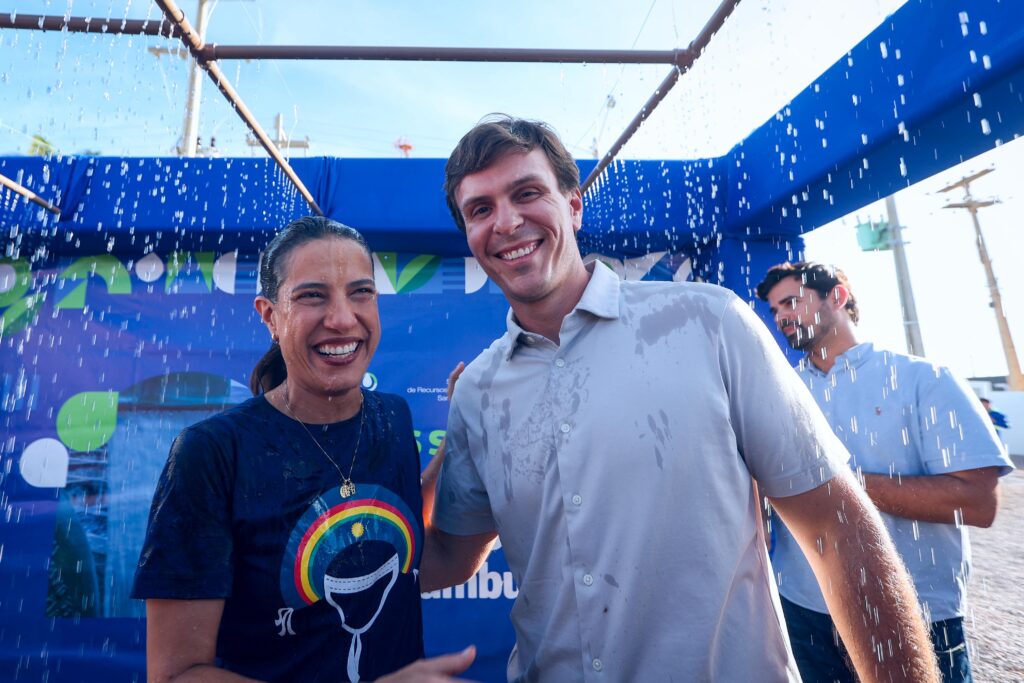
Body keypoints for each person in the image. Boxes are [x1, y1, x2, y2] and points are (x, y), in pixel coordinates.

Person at [417, 114, 939, 683]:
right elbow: (448, 558)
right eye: (480, 209)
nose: (506, 221)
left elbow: (837, 528)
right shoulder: (478, 390)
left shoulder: (707, 324)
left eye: (526, 193)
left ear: (573, 206)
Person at [132, 216, 475, 682]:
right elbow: (177, 674)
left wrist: (468, 435)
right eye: (313, 296)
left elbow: (409, 548)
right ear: (270, 316)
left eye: (360, 292)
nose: (342, 318)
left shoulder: (392, 417)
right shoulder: (211, 454)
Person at [757, 261, 1014, 683]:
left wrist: (839, 486)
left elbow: (977, 503)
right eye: (774, 310)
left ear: (837, 297)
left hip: (913, 612)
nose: (781, 316)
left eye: (791, 302)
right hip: (804, 611)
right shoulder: (779, 392)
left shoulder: (925, 379)